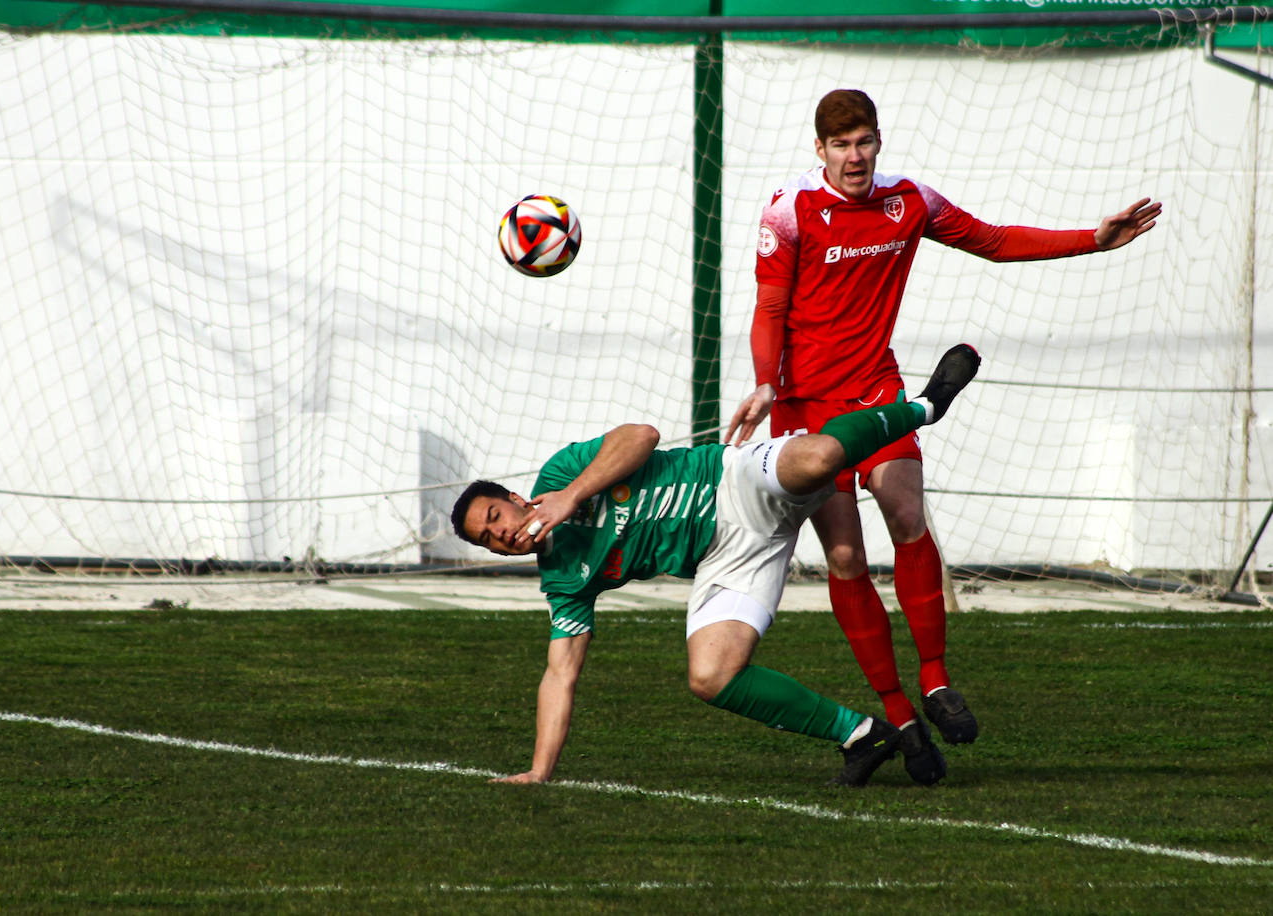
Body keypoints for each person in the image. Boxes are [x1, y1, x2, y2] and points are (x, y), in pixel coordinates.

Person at [725, 89, 1161, 754]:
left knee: (906, 512)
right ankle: (897, 713)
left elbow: (991, 241)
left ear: (878, 140)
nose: (855, 156)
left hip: (876, 391)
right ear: (819, 150)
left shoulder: (910, 202)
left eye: (864, 141)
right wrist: (762, 381)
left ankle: (933, 680)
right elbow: (769, 309)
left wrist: (1091, 243)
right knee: (845, 556)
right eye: (840, 145)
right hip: (804, 407)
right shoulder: (789, 211)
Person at [451, 344, 981, 788]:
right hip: (729, 558)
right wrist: (539, 772)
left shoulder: (563, 471)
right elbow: (559, 675)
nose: (500, 534)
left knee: (819, 461)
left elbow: (641, 436)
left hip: (731, 480)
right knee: (709, 675)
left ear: (519, 499)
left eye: (495, 515)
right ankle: (864, 736)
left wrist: (571, 495)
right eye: (490, 540)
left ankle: (926, 406)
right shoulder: (564, 582)